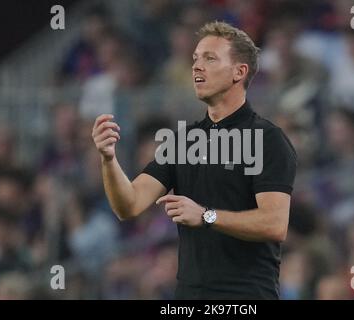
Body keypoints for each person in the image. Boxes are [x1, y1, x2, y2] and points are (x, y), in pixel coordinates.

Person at [92, 21, 297, 299]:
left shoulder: (267, 138)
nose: (197, 66)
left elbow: (274, 224)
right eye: (195, 59)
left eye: (210, 59)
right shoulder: (181, 141)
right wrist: (108, 159)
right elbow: (128, 204)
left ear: (240, 72)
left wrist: (205, 216)